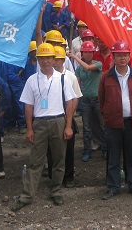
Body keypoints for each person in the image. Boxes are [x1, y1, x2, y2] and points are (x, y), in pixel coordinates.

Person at [11, 43, 76, 210]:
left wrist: (69, 126)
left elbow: (70, 104)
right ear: (37, 59)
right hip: (39, 122)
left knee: (59, 159)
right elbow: (28, 106)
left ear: (54, 59)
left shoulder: (62, 79)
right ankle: (27, 195)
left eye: (48, 57)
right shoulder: (32, 80)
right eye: (42, 58)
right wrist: (29, 128)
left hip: (58, 121)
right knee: (35, 161)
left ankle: (56, 191)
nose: (45, 61)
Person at [99, 40, 132, 200]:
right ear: (113, 57)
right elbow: (102, 99)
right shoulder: (106, 77)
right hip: (113, 124)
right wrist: (108, 115)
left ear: (129, 56)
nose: (122, 58)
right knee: (113, 157)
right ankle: (113, 186)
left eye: (125, 55)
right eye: (119, 55)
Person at [49, 46, 82, 188]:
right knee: (51, 149)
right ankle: (53, 176)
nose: (55, 62)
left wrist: (69, 115)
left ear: (63, 60)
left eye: (58, 59)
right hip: (51, 117)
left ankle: (68, 177)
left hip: (66, 117)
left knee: (68, 150)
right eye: (53, 59)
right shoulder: (46, 76)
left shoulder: (70, 76)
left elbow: (76, 98)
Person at [70, 41, 105, 162]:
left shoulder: (98, 64)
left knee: (102, 125)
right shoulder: (79, 69)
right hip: (85, 100)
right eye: (86, 52)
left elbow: (88, 67)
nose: (88, 54)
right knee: (86, 127)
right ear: (83, 53)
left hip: (97, 100)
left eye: (90, 52)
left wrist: (75, 57)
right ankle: (87, 150)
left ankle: (105, 150)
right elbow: (77, 83)